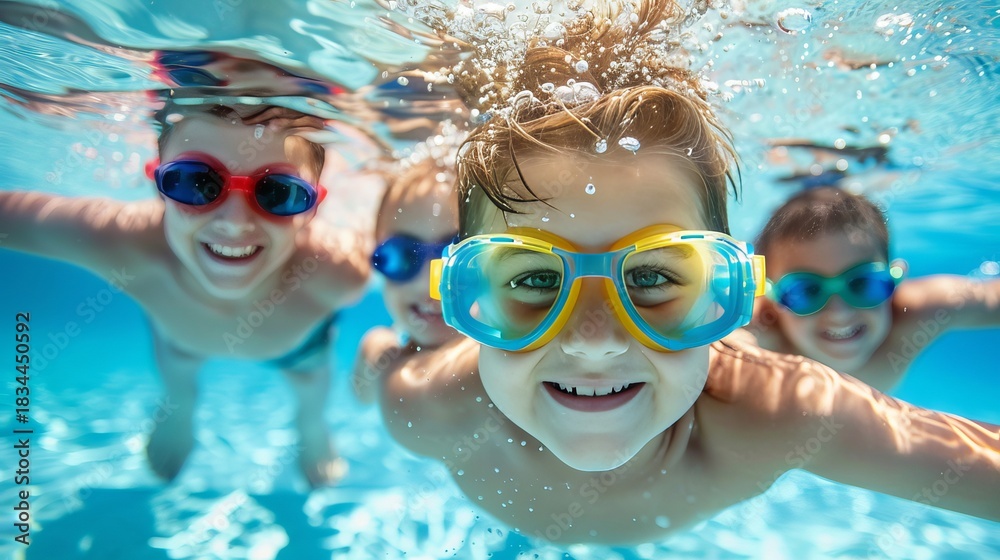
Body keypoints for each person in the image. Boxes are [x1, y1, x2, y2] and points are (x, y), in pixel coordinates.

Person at [371, 0, 1000, 544]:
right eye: (535, 279)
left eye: (651, 279)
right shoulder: (420, 404)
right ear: (467, 294)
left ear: (726, 295)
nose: (599, 339)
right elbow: (380, 356)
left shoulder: (786, 412)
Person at [0, 101, 370, 487]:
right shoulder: (125, 243)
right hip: (179, 337)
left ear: (313, 208)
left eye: (278, 192)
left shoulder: (338, 272)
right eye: (196, 183)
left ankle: (309, 428)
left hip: (298, 350)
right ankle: (179, 410)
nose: (235, 223)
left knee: (310, 388)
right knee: (177, 375)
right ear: (157, 184)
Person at [749, 186, 999, 391]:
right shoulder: (753, 328)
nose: (840, 313)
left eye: (863, 283)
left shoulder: (922, 312)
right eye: (806, 291)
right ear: (770, 297)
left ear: (895, 278)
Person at [351, 128, 463, 404]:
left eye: (455, 255)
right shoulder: (380, 353)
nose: (429, 283)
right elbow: (360, 399)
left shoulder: (508, 357)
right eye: (402, 256)